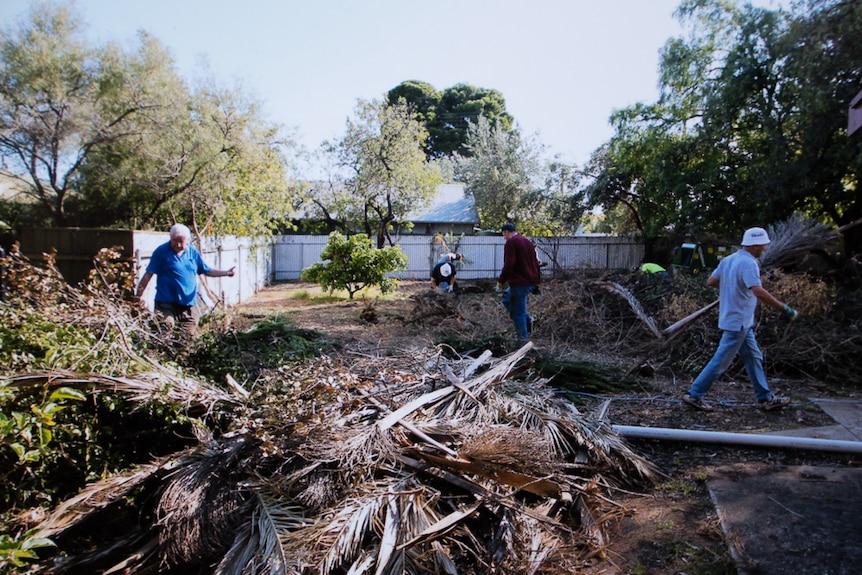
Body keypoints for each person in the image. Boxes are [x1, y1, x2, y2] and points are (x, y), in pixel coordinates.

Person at [683, 227, 798, 412]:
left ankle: (765, 398)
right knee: (720, 361)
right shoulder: (749, 263)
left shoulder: (729, 260)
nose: (765, 249)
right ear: (755, 245)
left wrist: (731, 287)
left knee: (753, 357)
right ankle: (695, 395)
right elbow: (758, 291)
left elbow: (711, 281)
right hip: (739, 321)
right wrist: (784, 308)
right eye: (763, 245)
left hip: (739, 320)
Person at [135, 224, 235, 335]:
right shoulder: (161, 252)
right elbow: (148, 275)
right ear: (170, 238)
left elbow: (206, 270)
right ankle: (164, 349)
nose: (178, 245)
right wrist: (138, 296)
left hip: (188, 304)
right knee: (165, 327)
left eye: (181, 242)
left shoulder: (193, 253)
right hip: (165, 304)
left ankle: (182, 352)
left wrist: (226, 273)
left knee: (187, 336)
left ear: (187, 240)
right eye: (175, 241)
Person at [497, 223, 542, 341]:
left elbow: (509, 264)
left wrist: (501, 281)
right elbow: (536, 263)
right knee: (506, 298)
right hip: (530, 281)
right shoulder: (527, 242)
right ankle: (529, 320)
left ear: (506, 232)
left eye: (503, 234)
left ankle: (523, 341)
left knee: (518, 313)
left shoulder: (511, 243)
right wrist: (537, 281)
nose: (504, 237)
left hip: (520, 283)